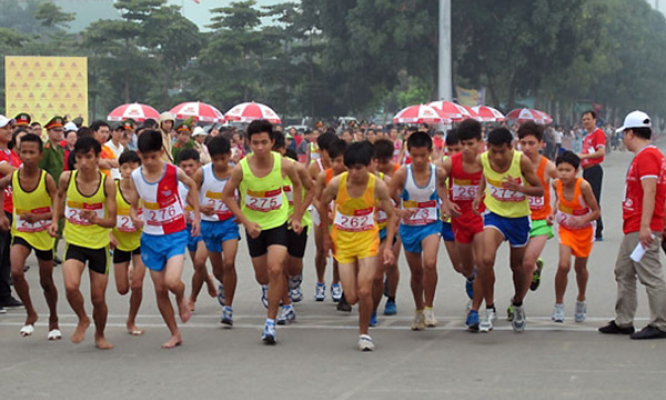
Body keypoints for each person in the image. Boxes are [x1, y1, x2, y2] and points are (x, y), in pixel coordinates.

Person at [221, 119, 303, 344]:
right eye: (255, 143)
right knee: (263, 276)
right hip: (254, 226)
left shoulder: (284, 164)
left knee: (276, 268)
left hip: (277, 222)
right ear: (248, 143)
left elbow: (298, 185)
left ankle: (270, 322)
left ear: (272, 142)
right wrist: (246, 222)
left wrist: (296, 215)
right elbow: (227, 196)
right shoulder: (241, 168)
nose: (259, 147)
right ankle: (279, 299)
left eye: (264, 142)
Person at [320, 141, 397, 351]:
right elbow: (321, 202)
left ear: (370, 165)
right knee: (352, 296)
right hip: (343, 242)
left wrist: (388, 246)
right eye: (350, 167)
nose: (354, 173)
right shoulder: (337, 183)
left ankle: (364, 334)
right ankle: (361, 320)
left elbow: (391, 215)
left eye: (359, 168)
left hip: (367, 242)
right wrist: (326, 235)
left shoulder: (378, 186)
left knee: (365, 290)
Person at [599, 111, 666, 340]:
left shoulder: (647, 157)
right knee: (623, 270)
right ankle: (624, 320)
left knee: (650, 275)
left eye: (624, 134)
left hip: (641, 226)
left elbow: (651, 190)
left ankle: (660, 323)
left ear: (630, 133)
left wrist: (647, 226)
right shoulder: (649, 155)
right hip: (636, 225)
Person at [129, 130, 198, 349]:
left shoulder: (173, 172)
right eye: (144, 157)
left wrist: (196, 215)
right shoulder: (136, 177)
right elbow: (133, 207)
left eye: (153, 157)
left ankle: (181, 296)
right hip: (151, 237)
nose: (149, 162)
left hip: (175, 234)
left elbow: (193, 185)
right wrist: (135, 218)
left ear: (161, 152)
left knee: (171, 282)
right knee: (159, 289)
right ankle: (174, 332)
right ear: (139, 154)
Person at [472, 127, 544, 333]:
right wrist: (479, 195)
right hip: (495, 215)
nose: (498, 156)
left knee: (517, 267)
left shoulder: (521, 161)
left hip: (519, 219)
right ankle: (490, 308)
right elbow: (484, 176)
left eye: (502, 151)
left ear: (510, 147)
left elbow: (539, 189)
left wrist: (520, 189)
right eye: (493, 151)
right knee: (485, 260)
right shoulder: (484, 159)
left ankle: (518, 303)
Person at [49, 136, 117, 349]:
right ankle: (82, 318)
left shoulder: (107, 183)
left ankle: (100, 334)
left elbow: (112, 221)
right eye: (80, 158)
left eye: (89, 157)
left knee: (98, 298)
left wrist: (97, 219)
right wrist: (54, 221)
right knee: (71, 286)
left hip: (99, 245)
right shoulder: (67, 178)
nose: (84, 162)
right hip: (75, 241)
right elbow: (59, 197)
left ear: (98, 158)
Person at [0, 133, 59, 339]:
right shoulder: (14, 177)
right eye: (23, 152)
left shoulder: (46, 179)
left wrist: (47, 219)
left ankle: (53, 318)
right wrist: (2, 215)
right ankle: (31, 313)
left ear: (40, 155)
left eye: (31, 153)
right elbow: (0, 187)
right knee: (16, 271)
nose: (27, 156)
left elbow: (58, 206)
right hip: (22, 232)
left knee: (46, 281)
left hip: (42, 233)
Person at [389, 132, 447, 330]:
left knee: (430, 263)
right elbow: (386, 198)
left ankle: (429, 307)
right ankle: (419, 309)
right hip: (409, 227)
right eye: (415, 156)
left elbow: (442, 191)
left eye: (423, 155)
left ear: (430, 152)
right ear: (408, 154)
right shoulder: (402, 174)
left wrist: (446, 204)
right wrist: (399, 210)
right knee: (416, 272)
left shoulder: (438, 172)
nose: (420, 160)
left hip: (431, 224)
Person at [508, 122, 558, 321]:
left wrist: (555, 211)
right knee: (518, 266)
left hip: (540, 221)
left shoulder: (548, 167)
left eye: (531, 143)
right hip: (519, 219)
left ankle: (517, 301)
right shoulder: (513, 163)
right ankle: (536, 267)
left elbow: (565, 186)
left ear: (541, 144)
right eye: (523, 143)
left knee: (526, 263)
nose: (527, 147)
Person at [439, 121, 485, 331]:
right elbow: (439, 182)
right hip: (459, 219)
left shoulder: (486, 163)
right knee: (465, 267)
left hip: (481, 217)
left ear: (480, 143)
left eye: (470, 144)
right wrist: (446, 203)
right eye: (463, 144)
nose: (466, 149)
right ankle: (471, 277)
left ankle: (475, 311)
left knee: (483, 262)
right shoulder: (451, 164)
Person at [194, 136, 240, 326]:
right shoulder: (202, 173)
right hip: (208, 225)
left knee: (229, 263)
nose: (220, 163)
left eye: (223, 158)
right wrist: (200, 207)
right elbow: (190, 194)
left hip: (229, 223)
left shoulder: (237, 173)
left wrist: (241, 213)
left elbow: (244, 195)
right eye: (216, 159)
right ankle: (223, 285)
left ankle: (227, 307)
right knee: (218, 269)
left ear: (230, 155)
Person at [549, 151, 600, 322]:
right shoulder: (556, 184)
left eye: (567, 170)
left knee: (580, 268)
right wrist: (552, 213)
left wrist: (583, 219)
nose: (563, 174)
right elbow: (558, 201)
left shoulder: (584, 186)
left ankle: (581, 299)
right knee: (563, 266)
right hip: (565, 228)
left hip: (584, 230)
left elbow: (596, 212)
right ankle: (558, 305)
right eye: (560, 169)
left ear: (576, 171)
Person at [272, 132, 314, 324]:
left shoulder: (295, 169)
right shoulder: (260, 169)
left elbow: (311, 190)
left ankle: (294, 279)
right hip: (274, 221)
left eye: (275, 151)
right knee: (278, 264)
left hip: (298, 221)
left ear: (282, 150)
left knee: (294, 264)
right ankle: (284, 297)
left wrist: (298, 213)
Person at [110, 150, 146, 336]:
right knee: (122, 289)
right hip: (120, 243)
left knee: (137, 285)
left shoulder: (144, 189)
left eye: (133, 166)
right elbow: (102, 212)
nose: (129, 171)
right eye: (124, 167)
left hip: (141, 242)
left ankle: (131, 321)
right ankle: (130, 270)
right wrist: (108, 233)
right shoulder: (112, 189)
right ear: (119, 168)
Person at [177, 149, 215, 312]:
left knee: (199, 262)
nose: (187, 169)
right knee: (197, 265)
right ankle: (207, 278)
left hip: (204, 225)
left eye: (191, 165)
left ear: (198, 165)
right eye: (183, 166)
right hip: (185, 227)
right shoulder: (176, 182)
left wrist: (202, 209)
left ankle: (192, 298)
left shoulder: (205, 179)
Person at [309, 133, 344, 302]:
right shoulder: (316, 168)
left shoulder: (346, 170)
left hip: (340, 215)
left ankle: (336, 282)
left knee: (339, 253)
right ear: (322, 151)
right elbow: (313, 195)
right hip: (322, 213)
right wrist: (323, 211)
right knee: (322, 250)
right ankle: (320, 281)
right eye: (329, 154)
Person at [371, 139, 402, 317]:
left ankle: (391, 297)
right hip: (369, 229)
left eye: (384, 162)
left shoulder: (395, 175)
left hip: (391, 227)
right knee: (374, 271)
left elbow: (400, 202)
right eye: (377, 161)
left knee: (390, 265)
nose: (381, 165)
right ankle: (372, 301)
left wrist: (396, 221)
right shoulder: (364, 177)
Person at [0, 115, 23, 312]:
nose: (9, 131)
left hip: (12, 208)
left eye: (10, 127)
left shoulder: (11, 153)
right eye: (4, 128)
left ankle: (5, 295)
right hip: (1, 209)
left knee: (6, 255)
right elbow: (14, 172)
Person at [577, 111, 605, 240]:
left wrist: (585, 156)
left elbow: (601, 152)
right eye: (584, 119)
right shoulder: (587, 135)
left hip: (594, 169)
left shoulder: (598, 133)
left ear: (594, 120)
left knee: (594, 199)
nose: (586, 122)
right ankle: (591, 226)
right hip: (586, 169)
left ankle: (598, 230)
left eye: (588, 119)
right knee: (587, 199)